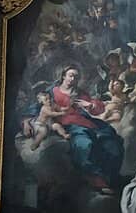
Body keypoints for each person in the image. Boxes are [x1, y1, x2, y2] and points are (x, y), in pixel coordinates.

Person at [45, 65, 124, 193]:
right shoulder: (52, 92)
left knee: (112, 142)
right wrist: (26, 121)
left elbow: (99, 108)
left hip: (90, 124)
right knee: (84, 144)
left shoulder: (80, 93)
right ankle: (98, 180)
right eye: (70, 75)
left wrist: (90, 104)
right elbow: (38, 107)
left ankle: (111, 178)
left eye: (76, 77)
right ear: (64, 76)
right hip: (71, 125)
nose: (72, 79)